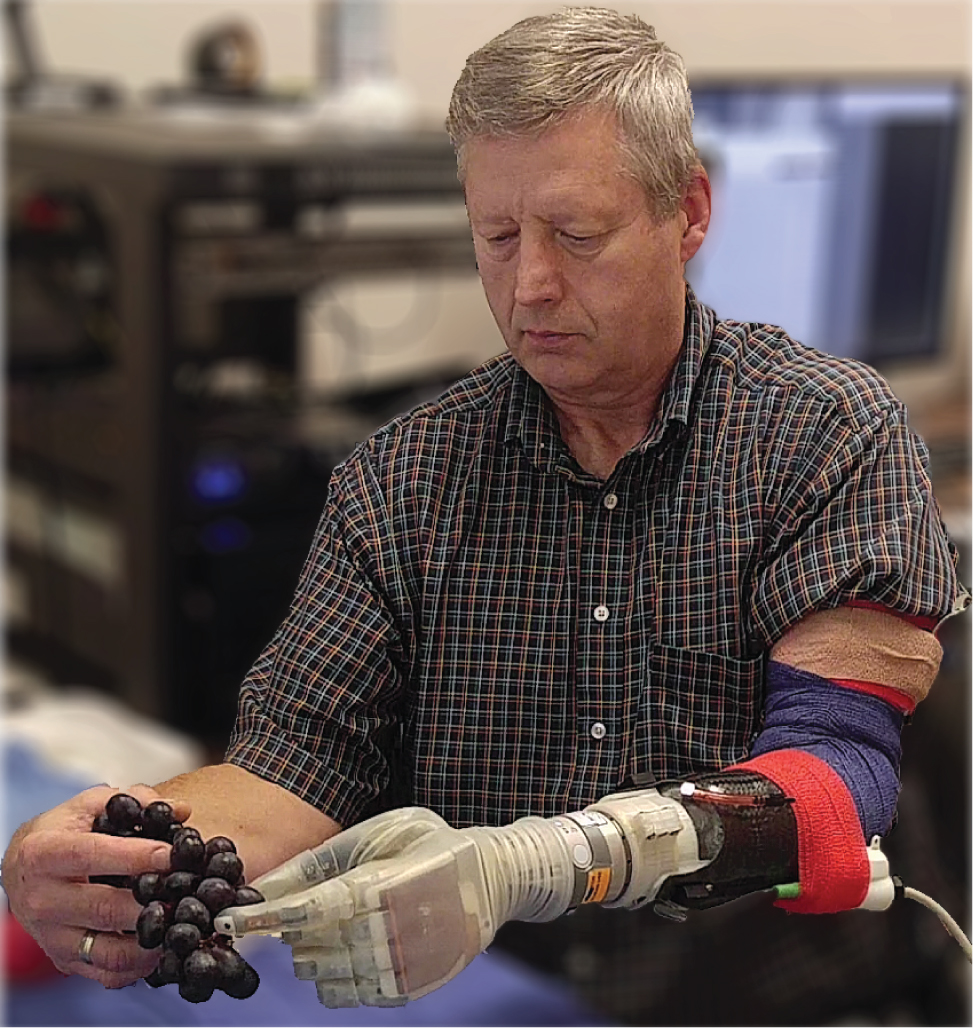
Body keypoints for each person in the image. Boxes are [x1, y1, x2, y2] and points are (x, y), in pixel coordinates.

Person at [3, 5, 968, 1019]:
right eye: (496, 236)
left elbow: (834, 777)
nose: (531, 283)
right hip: (501, 1001)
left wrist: (543, 859)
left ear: (687, 213)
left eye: (575, 234)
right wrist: (105, 848)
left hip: (769, 1004)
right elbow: (295, 762)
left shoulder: (829, 434)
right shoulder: (402, 480)